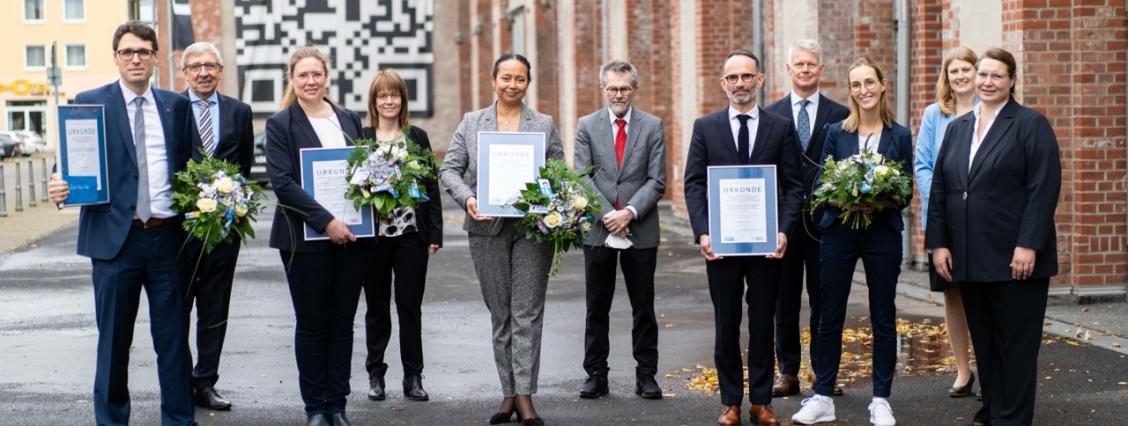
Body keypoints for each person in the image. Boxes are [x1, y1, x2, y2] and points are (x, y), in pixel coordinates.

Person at [47, 21, 197, 426]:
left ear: (154, 58)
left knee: (173, 342)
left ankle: (180, 420)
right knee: (114, 342)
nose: (136, 58)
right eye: (127, 51)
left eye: (144, 51)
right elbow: (73, 162)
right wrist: (60, 183)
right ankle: (112, 421)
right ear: (116, 57)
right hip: (115, 241)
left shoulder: (176, 105)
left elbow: (194, 166)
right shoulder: (90, 101)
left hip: (168, 239)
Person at [927, 47, 1061, 426]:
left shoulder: (1030, 124)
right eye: (983, 74)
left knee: (1015, 344)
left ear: (1012, 81)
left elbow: (1043, 188)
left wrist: (1029, 243)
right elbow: (941, 190)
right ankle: (993, 410)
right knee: (984, 340)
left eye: (996, 75)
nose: (987, 82)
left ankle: (1012, 417)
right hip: (969, 255)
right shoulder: (957, 128)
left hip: (1015, 256)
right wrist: (938, 243)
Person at [439, 53, 563, 426]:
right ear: (493, 79)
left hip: (531, 231)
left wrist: (548, 198)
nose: (512, 85)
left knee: (527, 313)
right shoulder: (473, 122)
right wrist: (470, 199)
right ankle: (507, 391)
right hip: (486, 230)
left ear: (528, 83)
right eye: (506, 77)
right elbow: (449, 169)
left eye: (520, 79)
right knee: (502, 315)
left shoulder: (543, 123)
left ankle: (524, 397)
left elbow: (558, 172)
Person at [791, 57, 913, 426]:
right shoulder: (836, 132)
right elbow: (821, 186)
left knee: (883, 317)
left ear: (882, 85)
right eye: (856, 85)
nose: (864, 90)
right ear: (851, 91)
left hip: (881, 234)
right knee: (829, 315)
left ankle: (880, 399)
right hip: (840, 233)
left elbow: (905, 191)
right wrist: (843, 198)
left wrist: (877, 197)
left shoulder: (900, 135)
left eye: (869, 82)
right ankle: (823, 395)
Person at [683, 50, 802, 426]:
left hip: (766, 245)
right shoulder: (706, 126)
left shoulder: (780, 127)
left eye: (747, 77)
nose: (740, 84)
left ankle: (761, 402)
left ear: (760, 80)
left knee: (763, 321)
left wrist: (783, 230)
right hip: (721, 245)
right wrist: (703, 232)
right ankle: (731, 402)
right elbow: (694, 183)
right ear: (723, 83)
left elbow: (793, 186)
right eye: (732, 78)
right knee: (726, 323)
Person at [265, 46, 373, 426]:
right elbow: (283, 183)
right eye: (302, 75)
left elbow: (363, 172)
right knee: (311, 322)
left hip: (352, 238)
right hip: (303, 239)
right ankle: (315, 407)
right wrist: (326, 221)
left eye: (316, 74)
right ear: (291, 80)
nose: (310, 81)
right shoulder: (280, 124)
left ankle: (337, 404)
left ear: (327, 76)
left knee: (343, 322)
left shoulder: (349, 119)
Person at [573, 60, 667, 400]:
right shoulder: (586, 125)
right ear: (603, 89)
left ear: (634, 89)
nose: (618, 94)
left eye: (625, 88)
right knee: (597, 305)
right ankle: (596, 374)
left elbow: (657, 180)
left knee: (643, 306)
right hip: (599, 231)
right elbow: (581, 177)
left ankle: (647, 376)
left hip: (639, 229)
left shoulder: (652, 126)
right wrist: (607, 215)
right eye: (612, 88)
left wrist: (628, 212)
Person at [763, 39, 850, 398]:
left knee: (824, 298)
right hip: (783, 222)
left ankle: (822, 371)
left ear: (821, 70)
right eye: (798, 64)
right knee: (783, 299)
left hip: (825, 222)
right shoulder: (770, 114)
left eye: (811, 64)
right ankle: (788, 371)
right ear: (788, 69)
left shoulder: (841, 114)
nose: (804, 70)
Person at [178, 41, 255, 412]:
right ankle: (178, 381)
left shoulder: (240, 112)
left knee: (214, 306)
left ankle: (205, 381)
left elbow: (244, 165)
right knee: (176, 307)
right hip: (177, 230)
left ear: (221, 70)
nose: (203, 72)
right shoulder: (171, 108)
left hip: (224, 229)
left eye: (210, 65)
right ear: (185, 72)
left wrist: (232, 208)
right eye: (195, 66)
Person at [361, 69, 442, 403]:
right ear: (374, 101)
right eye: (383, 95)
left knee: (410, 307)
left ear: (402, 100)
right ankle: (376, 375)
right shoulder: (362, 137)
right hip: (372, 238)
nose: (389, 101)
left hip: (411, 236)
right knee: (376, 309)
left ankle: (413, 377)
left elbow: (431, 187)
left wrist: (434, 233)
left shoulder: (417, 137)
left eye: (395, 95)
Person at [914, 46, 979, 399]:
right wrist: (939, 200)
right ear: (946, 77)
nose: (960, 76)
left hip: (980, 221)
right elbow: (922, 164)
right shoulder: (934, 115)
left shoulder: (990, 112)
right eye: (953, 71)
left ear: (976, 71)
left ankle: (990, 368)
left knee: (983, 295)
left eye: (966, 69)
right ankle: (963, 371)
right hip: (944, 221)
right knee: (952, 295)